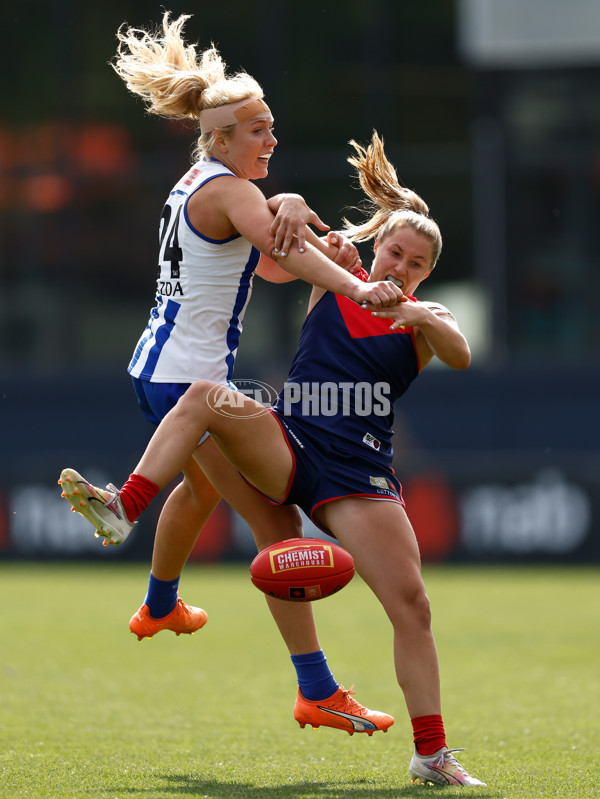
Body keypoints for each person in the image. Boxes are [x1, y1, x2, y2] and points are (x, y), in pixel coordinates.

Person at [60, 131, 485, 786]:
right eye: (395, 251)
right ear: (379, 247)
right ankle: (123, 507)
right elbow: (267, 253)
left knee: (412, 605)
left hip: (358, 476)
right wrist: (284, 201)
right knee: (204, 397)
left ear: (428, 271)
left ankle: (431, 753)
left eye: (416, 262)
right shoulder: (340, 271)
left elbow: (459, 351)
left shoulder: (424, 317)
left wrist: (419, 315)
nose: (401, 265)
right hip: (288, 443)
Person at [61, 12, 402, 737]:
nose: (271, 138)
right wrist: (356, 283)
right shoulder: (231, 190)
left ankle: (160, 603)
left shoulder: (200, 184)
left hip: (156, 371)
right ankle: (317, 689)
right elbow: (297, 264)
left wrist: (309, 230)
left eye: (272, 126)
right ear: (219, 137)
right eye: (257, 129)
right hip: (188, 383)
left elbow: (274, 265)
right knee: (276, 519)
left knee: (204, 488)